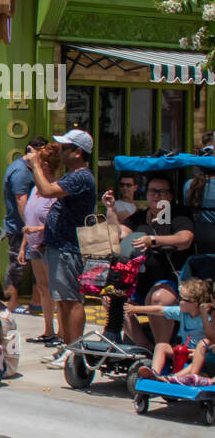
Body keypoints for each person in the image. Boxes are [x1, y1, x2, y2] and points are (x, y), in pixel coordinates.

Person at [25, 129, 96, 368]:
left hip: (69, 246)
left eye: (65, 148)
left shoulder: (81, 177)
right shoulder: (73, 176)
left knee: (72, 299)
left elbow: (46, 190)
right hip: (59, 245)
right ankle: (67, 346)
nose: (61, 152)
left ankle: (76, 350)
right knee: (62, 301)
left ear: (78, 152)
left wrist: (36, 164)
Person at [109, 173, 194, 349]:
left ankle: (161, 349)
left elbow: (185, 239)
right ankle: (147, 350)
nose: (157, 196)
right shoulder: (139, 216)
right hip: (137, 281)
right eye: (153, 191)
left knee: (158, 298)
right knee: (112, 298)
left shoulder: (178, 214)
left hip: (168, 280)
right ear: (146, 194)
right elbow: (118, 234)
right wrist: (110, 209)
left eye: (162, 192)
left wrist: (153, 240)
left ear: (170, 195)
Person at [127, 277, 212, 378]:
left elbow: (211, 340)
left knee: (197, 360)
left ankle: (172, 378)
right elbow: (160, 310)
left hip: (200, 356)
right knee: (161, 346)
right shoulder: (182, 313)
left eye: (182, 299)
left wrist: (198, 353)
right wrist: (135, 309)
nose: (178, 301)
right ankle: (154, 373)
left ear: (195, 304)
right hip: (184, 353)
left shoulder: (207, 319)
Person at [18, 142, 60, 344]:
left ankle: (60, 332)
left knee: (55, 289)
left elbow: (60, 223)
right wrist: (24, 244)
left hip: (49, 245)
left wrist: (37, 230)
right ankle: (48, 329)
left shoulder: (54, 189)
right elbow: (30, 218)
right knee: (43, 288)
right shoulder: (37, 187)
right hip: (35, 245)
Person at [2, 136, 47, 310]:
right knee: (18, 263)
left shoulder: (29, 169)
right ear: (30, 150)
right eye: (40, 153)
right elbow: (21, 201)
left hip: (28, 226)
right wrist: (29, 227)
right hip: (20, 226)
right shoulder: (21, 171)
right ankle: (12, 302)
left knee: (37, 263)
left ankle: (37, 301)